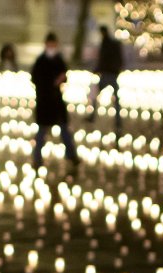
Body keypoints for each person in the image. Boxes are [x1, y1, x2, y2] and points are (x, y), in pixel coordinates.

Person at [30, 32, 78, 172]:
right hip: (44, 103)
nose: (52, 47)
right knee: (41, 133)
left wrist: (61, 79)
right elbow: (36, 79)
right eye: (50, 45)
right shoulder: (40, 61)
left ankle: (71, 155)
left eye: (54, 45)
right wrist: (52, 82)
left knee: (65, 131)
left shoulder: (58, 59)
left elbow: (64, 74)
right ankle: (37, 159)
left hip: (57, 103)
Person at [88, 25, 123, 131]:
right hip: (112, 74)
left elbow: (103, 59)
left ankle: (93, 116)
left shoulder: (106, 44)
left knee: (96, 95)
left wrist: (97, 69)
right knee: (116, 99)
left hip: (107, 74)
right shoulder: (113, 44)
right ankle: (118, 121)